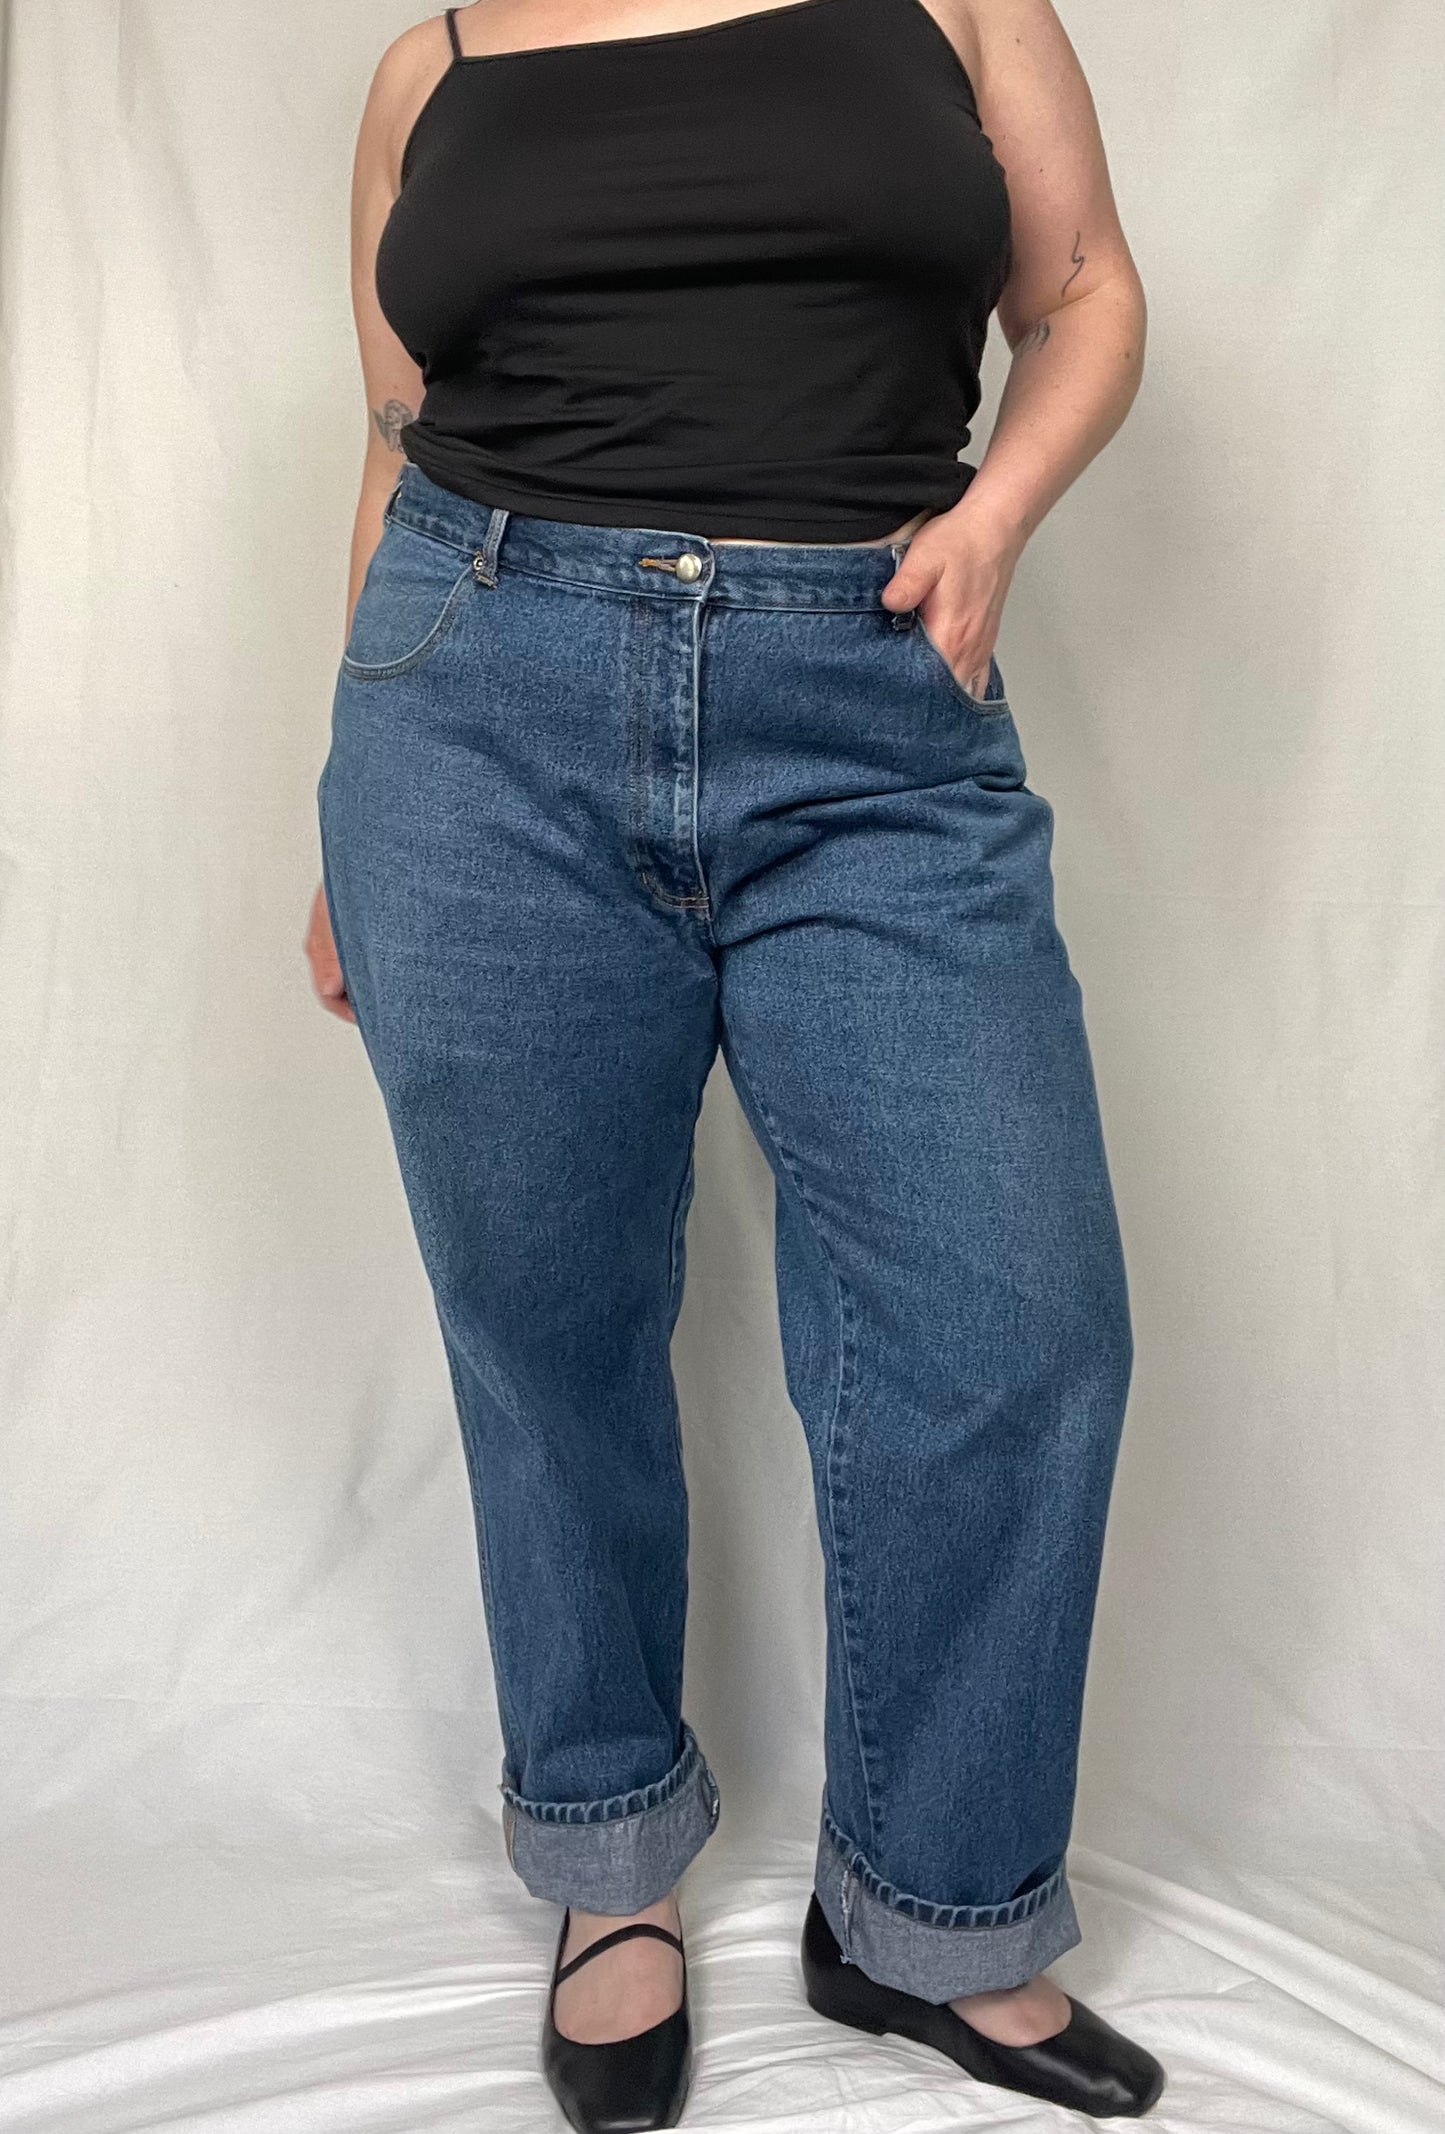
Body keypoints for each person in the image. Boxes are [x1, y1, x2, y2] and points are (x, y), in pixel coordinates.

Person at [305, 0, 1165, 2123]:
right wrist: (346, 797)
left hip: (867, 698)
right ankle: (609, 1865)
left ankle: (931, 1912)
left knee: (1013, 1315)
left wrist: (999, 514)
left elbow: (1082, 298)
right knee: (547, 1319)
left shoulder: (956, 8)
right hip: (475, 710)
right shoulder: (434, 67)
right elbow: (397, 439)